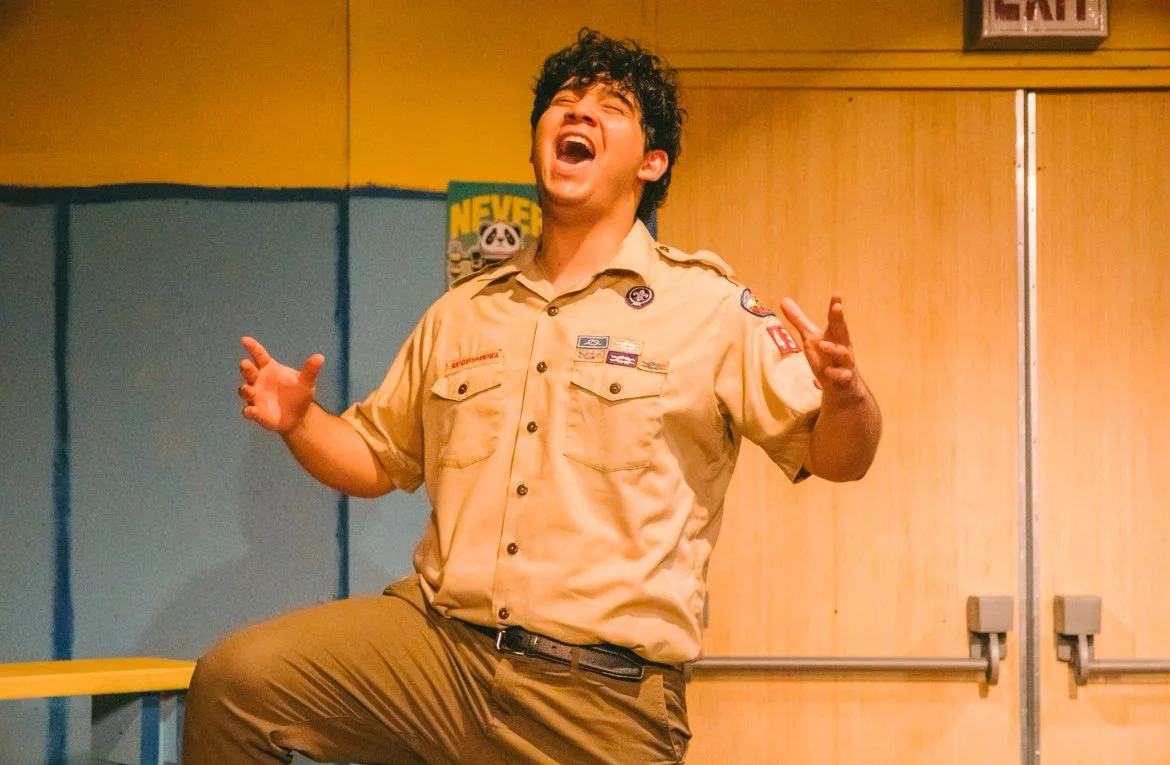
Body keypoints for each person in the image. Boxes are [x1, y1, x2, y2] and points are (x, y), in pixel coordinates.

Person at [185, 28, 881, 765]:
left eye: (611, 106)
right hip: (440, 655)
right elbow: (375, 457)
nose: (578, 112)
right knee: (238, 682)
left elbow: (839, 457)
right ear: (537, 143)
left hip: (600, 697)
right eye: (564, 101)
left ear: (652, 161)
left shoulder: (707, 307)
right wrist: (301, 422)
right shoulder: (464, 312)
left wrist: (847, 397)